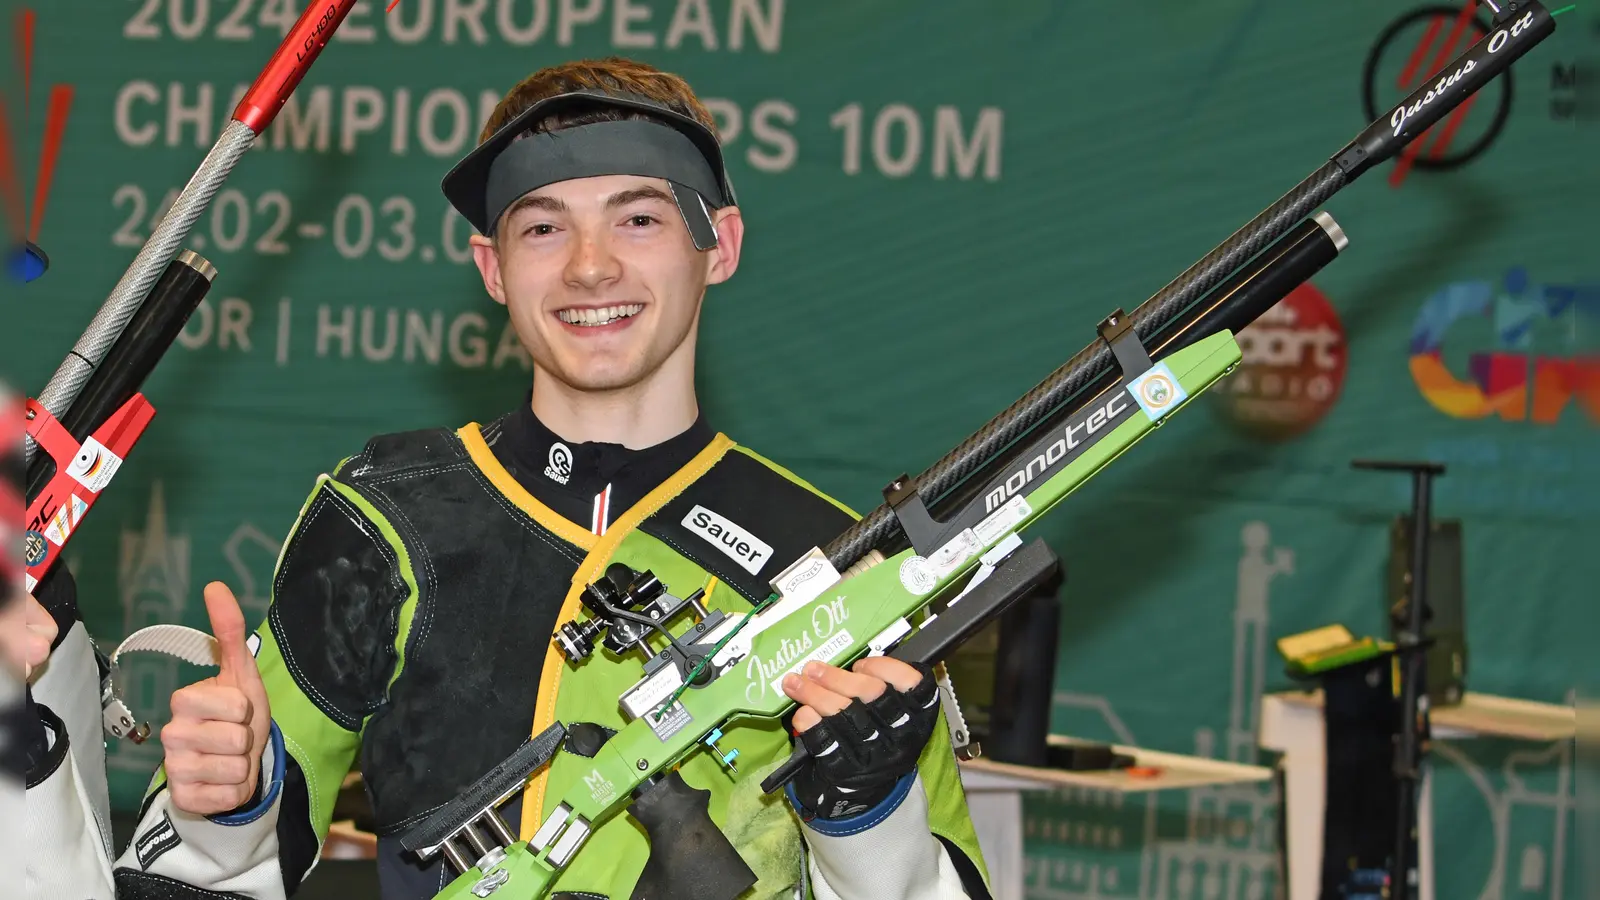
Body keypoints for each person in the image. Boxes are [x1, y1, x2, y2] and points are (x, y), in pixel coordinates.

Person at [110, 57, 991, 900]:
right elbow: (195, 873)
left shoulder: (842, 569)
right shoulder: (385, 519)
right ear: (493, 268)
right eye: (542, 226)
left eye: (638, 218)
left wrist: (870, 818)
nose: (589, 265)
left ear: (716, 246)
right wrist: (227, 799)